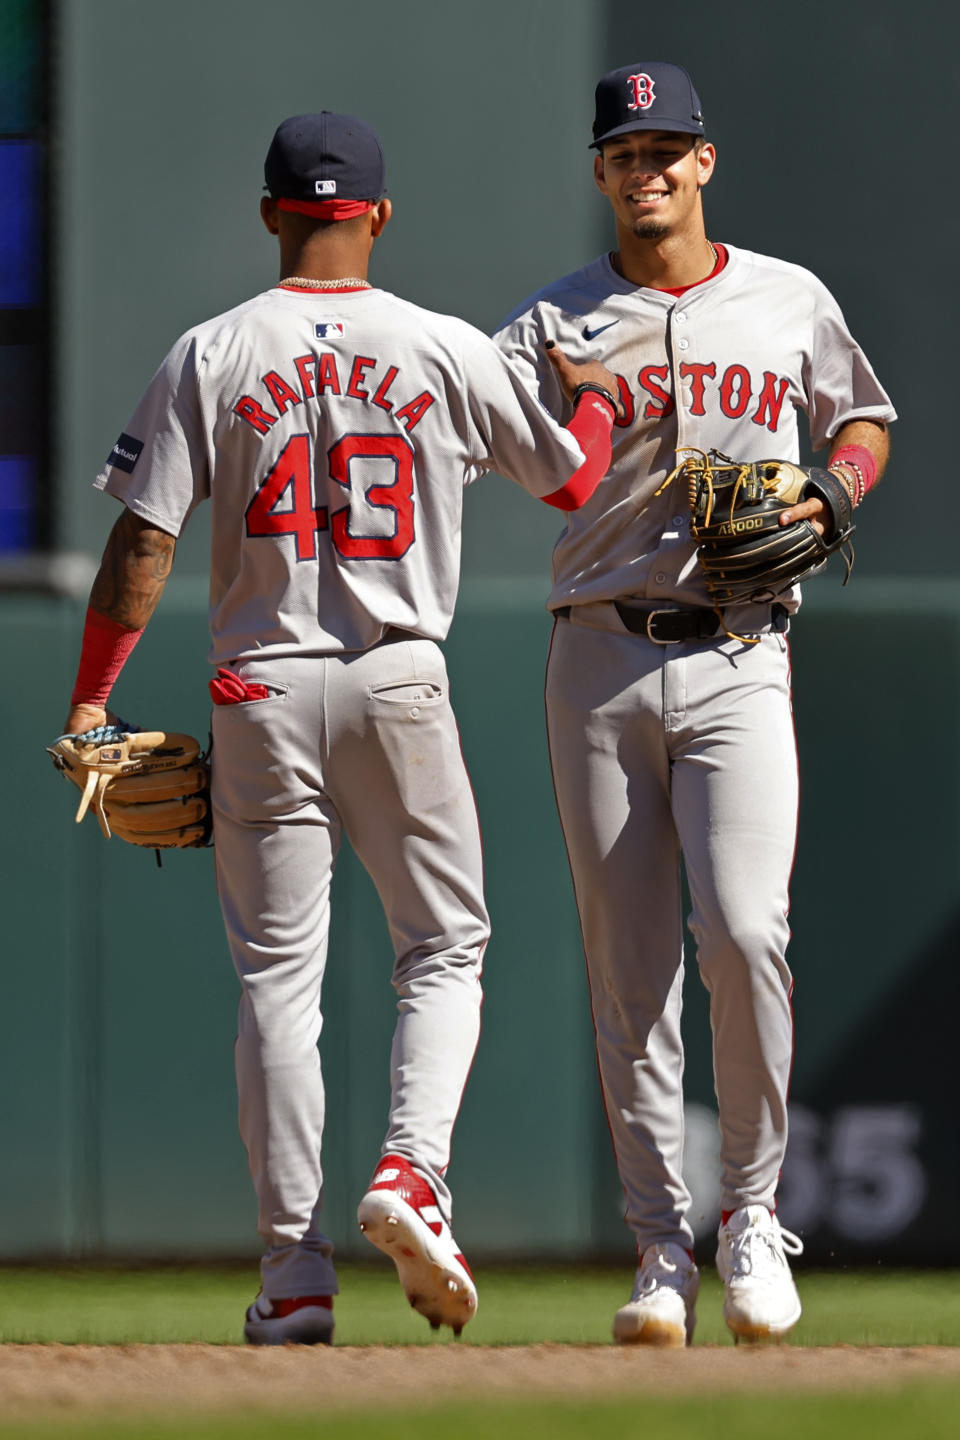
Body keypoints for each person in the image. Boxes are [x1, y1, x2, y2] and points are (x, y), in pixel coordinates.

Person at [60, 111, 622, 1345]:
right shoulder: (442, 344)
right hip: (396, 681)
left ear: (272, 212)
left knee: (277, 981)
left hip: (257, 685)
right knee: (446, 946)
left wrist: (92, 697)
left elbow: (145, 539)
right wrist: (588, 407)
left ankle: (294, 1273)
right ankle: (412, 1172)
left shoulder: (210, 349)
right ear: (378, 213)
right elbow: (575, 483)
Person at [494, 62, 894, 1345]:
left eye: (669, 146)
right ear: (601, 169)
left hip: (739, 651)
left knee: (743, 934)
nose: (647, 167)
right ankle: (662, 1251)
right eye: (626, 149)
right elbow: (476, 433)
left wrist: (833, 493)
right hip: (599, 652)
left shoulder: (787, 298)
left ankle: (755, 1221)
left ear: (705, 161)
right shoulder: (553, 321)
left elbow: (867, 420)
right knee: (629, 975)